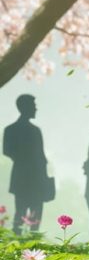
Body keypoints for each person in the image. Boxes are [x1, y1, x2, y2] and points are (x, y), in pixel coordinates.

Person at [3, 94, 51, 234]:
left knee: (23, 210)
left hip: (22, 176)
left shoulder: (11, 129)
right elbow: (41, 157)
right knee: (30, 211)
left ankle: (21, 239)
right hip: (32, 177)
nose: (35, 109)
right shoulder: (32, 131)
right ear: (25, 107)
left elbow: (8, 151)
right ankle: (30, 239)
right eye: (33, 106)